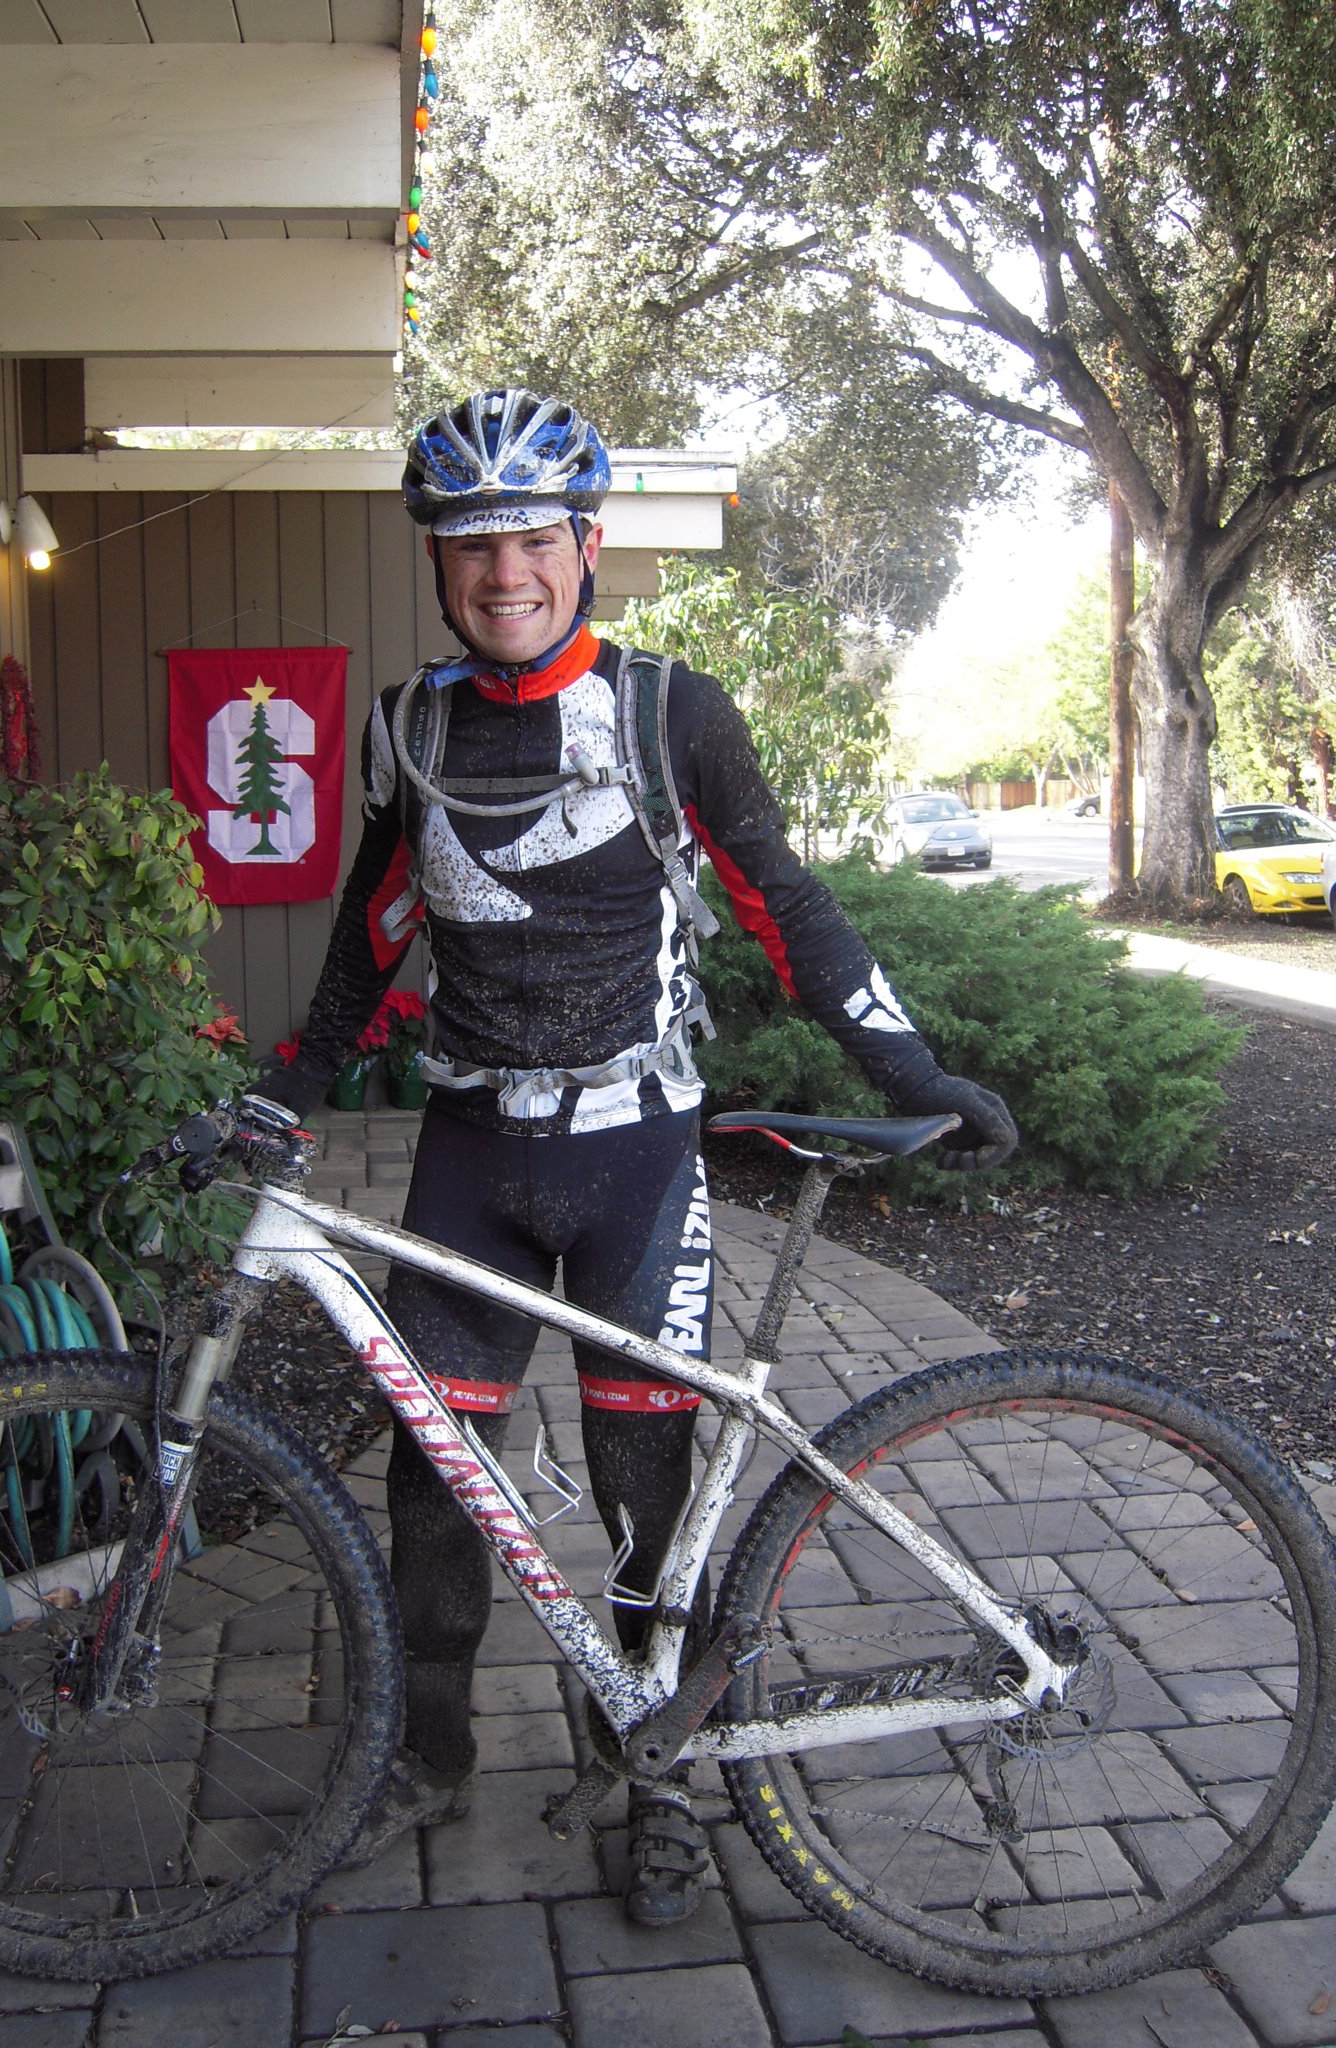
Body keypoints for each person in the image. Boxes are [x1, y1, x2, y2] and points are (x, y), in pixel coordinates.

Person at [252, 388, 1017, 1924]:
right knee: (434, 1473)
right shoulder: (409, 728)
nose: (504, 571)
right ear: (439, 565)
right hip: (468, 1151)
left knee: (642, 1488)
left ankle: (645, 1770)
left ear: (588, 545)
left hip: (636, 1159)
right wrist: (291, 1084)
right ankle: (430, 1751)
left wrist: (912, 1066)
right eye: (469, 545)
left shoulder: (675, 715)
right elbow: (376, 929)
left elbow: (783, 905)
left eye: (534, 536)